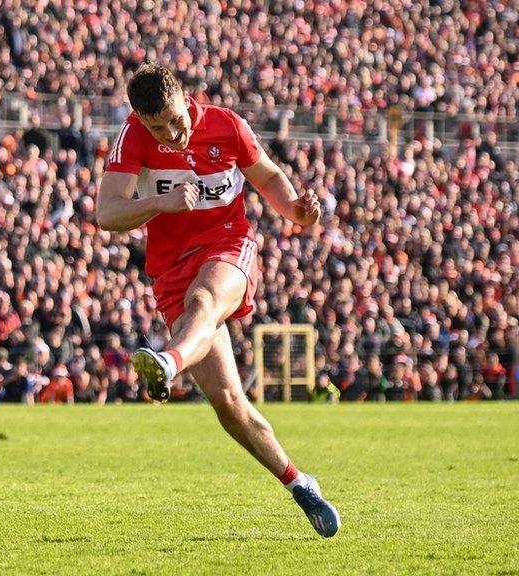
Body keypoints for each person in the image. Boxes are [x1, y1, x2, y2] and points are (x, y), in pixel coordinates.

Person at [96, 63, 339, 537]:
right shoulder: (132, 139)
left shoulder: (226, 125)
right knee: (229, 403)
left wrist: (294, 210)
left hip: (228, 244)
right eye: (157, 127)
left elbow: (266, 176)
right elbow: (108, 212)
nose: (171, 132)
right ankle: (299, 483)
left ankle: (166, 364)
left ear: (185, 97)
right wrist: (159, 202)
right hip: (169, 268)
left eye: (174, 119)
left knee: (205, 300)